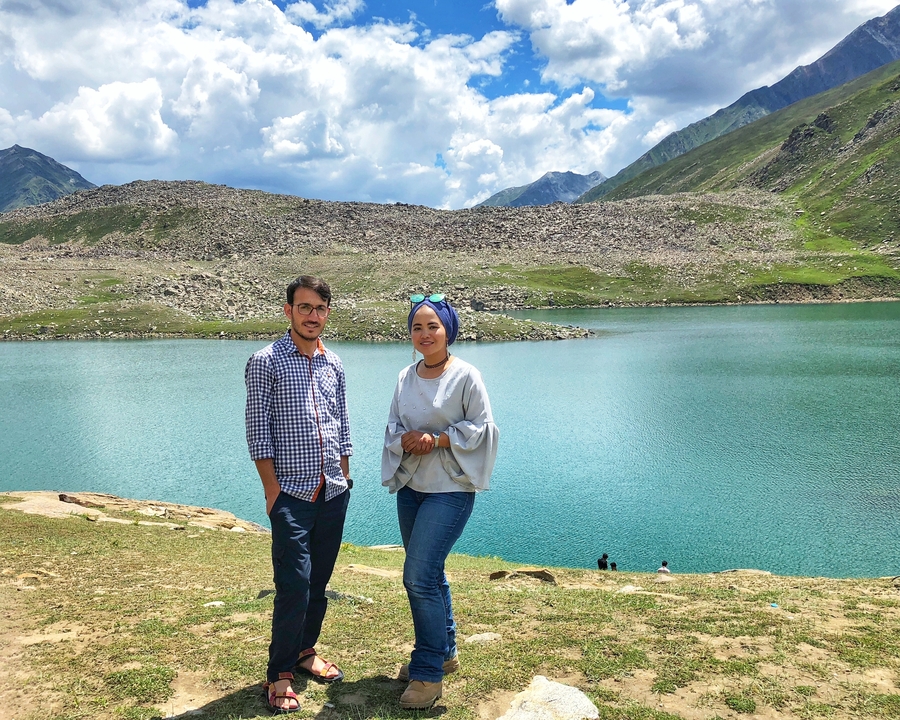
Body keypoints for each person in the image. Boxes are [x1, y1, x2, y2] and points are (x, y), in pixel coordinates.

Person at [382, 293, 500, 710]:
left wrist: (438, 439)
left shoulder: (466, 375)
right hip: (412, 489)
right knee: (429, 574)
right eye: (417, 327)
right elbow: (393, 425)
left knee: (417, 577)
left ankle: (428, 673)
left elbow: (484, 429)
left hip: (450, 490)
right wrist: (405, 440)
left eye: (433, 326)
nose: (425, 334)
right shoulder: (405, 377)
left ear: (448, 330)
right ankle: (445, 652)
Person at [245, 275, 352, 714]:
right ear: (288, 310)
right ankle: (280, 673)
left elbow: (342, 424)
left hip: (333, 491)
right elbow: (257, 432)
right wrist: (272, 492)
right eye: (305, 307)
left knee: (319, 583)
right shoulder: (265, 361)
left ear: (327, 313)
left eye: (320, 308)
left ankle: (305, 651)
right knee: (294, 585)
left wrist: (345, 476)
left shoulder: (334, 364)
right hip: (290, 494)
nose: (313, 316)